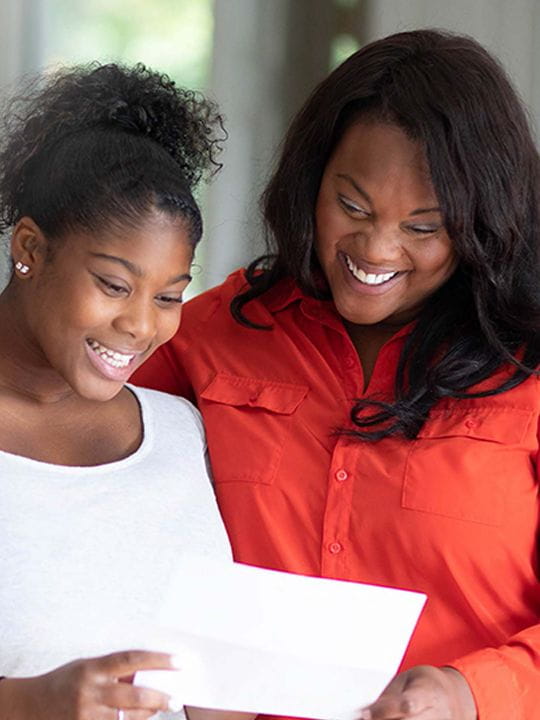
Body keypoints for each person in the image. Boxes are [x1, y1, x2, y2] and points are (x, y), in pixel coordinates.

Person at [133, 29, 540, 720]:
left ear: (481, 225)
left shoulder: (526, 372)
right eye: (352, 207)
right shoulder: (208, 335)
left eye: (424, 226)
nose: (376, 249)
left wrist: (467, 693)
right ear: (311, 180)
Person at [0, 62, 239, 720]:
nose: (140, 325)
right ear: (30, 248)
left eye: (168, 296)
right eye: (112, 284)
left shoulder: (181, 435)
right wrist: (26, 702)